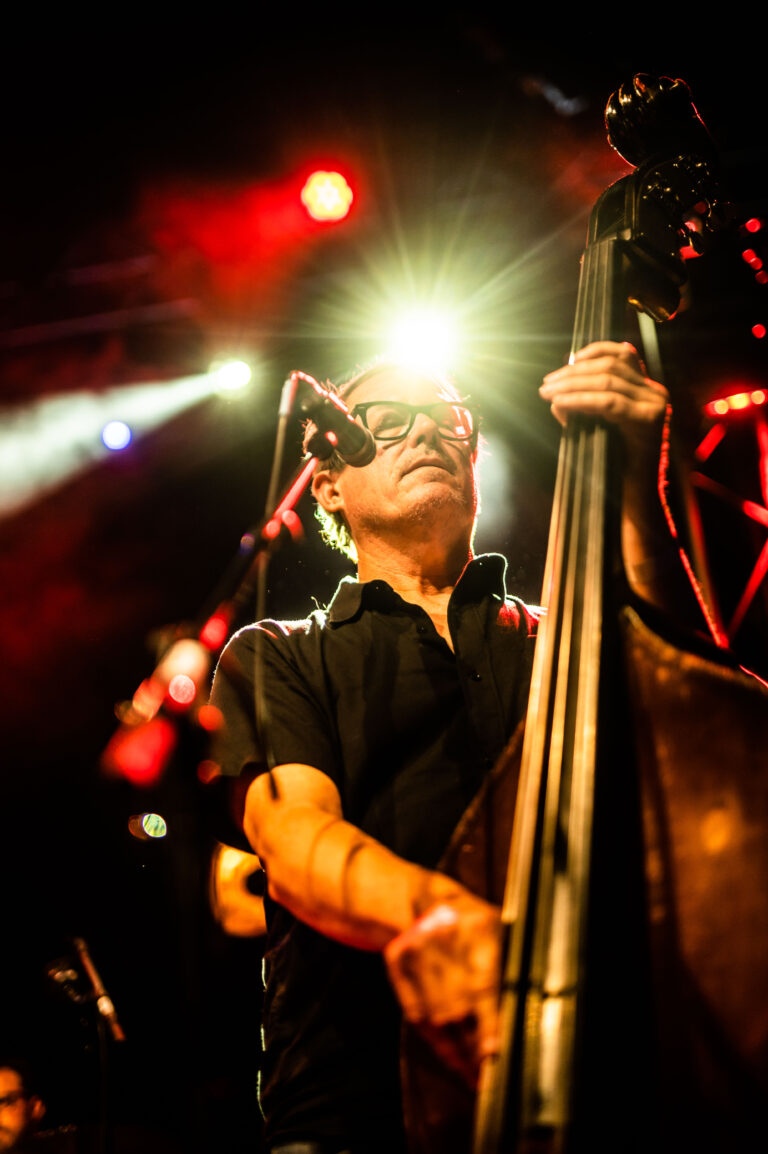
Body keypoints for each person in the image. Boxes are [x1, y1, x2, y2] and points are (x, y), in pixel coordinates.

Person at [210, 341, 693, 1154]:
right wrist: (451, 922)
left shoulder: (568, 640)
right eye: (386, 423)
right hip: (359, 1098)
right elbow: (294, 843)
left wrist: (639, 486)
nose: (425, 434)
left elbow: (696, 710)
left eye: (447, 422)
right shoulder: (276, 653)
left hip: (599, 1070)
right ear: (327, 480)